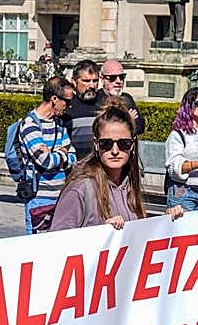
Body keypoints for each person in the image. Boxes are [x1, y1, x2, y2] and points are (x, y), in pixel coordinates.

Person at [51, 99, 182, 231]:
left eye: (123, 143)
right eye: (106, 143)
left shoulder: (129, 183)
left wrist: (165, 223)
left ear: (132, 144)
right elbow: (58, 242)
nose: (115, 151)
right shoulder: (80, 189)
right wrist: (101, 233)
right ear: (96, 144)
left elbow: (137, 235)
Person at [17, 76, 77, 234]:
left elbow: (73, 158)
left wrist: (57, 154)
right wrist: (62, 152)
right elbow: (46, 161)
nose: (69, 106)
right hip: (39, 201)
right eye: (67, 101)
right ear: (55, 99)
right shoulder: (30, 125)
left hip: (61, 198)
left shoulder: (59, 124)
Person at [63, 59, 103, 159]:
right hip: (74, 168)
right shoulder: (65, 107)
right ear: (73, 81)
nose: (92, 86)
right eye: (86, 81)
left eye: (95, 81)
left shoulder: (104, 105)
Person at [99, 59, 145, 136]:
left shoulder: (127, 98)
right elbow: (99, 128)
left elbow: (140, 127)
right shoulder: (96, 98)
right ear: (102, 79)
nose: (118, 81)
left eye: (122, 77)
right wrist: (127, 120)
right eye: (112, 77)